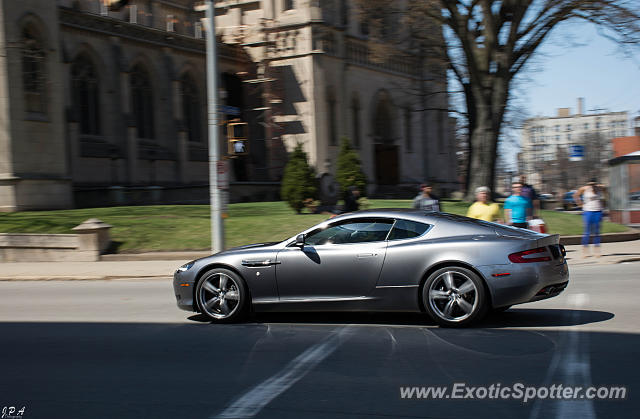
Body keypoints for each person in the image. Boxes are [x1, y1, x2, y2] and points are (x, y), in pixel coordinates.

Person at [574, 178, 605, 258]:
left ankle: (597, 251)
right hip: (588, 211)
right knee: (587, 231)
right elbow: (575, 195)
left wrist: (604, 202)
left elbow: (606, 189)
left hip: (598, 211)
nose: (592, 186)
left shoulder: (599, 188)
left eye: (593, 184)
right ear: (588, 184)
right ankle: (585, 252)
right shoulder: (584, 189)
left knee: (597, 231)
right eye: (590, 184)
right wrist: (580, 204)